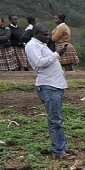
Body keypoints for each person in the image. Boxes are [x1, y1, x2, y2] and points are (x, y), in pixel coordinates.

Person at [24, 29, 71, 158]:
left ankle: (62, 147)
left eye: (48, 34)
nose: (47, 36)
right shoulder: (32, 46)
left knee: (58, 119)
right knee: (55, 120)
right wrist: (57, 54)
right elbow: (39, 63)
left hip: (55, 85)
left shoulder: (41, 45)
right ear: (35, 34)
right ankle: (58, 151)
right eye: (44, 34)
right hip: (48, 86)